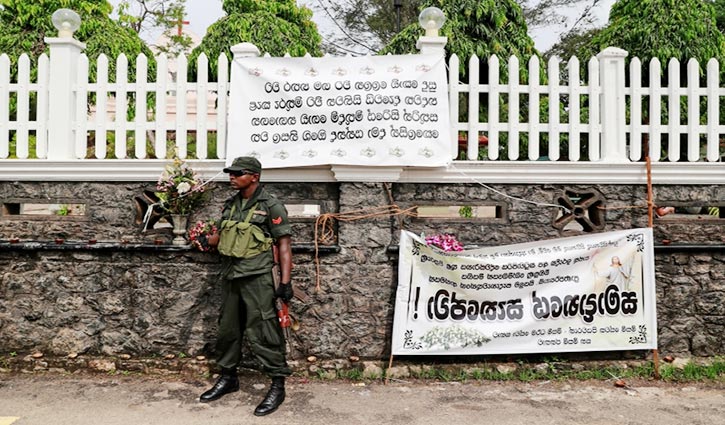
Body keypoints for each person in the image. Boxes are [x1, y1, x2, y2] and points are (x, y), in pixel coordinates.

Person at [199, 156, 294, 417]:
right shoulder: (230, 205)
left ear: (254, 176)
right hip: (231, 275)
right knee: (228, 329)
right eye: (230, 173)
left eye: (237, 173)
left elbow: (284, 245)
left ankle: (277, 383)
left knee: (264, 329)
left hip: (258, 277)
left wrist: (285, 282)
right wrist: (206, 238)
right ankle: (228, 377)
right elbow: (220, 237)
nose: (231, 177)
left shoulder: (272, 206)